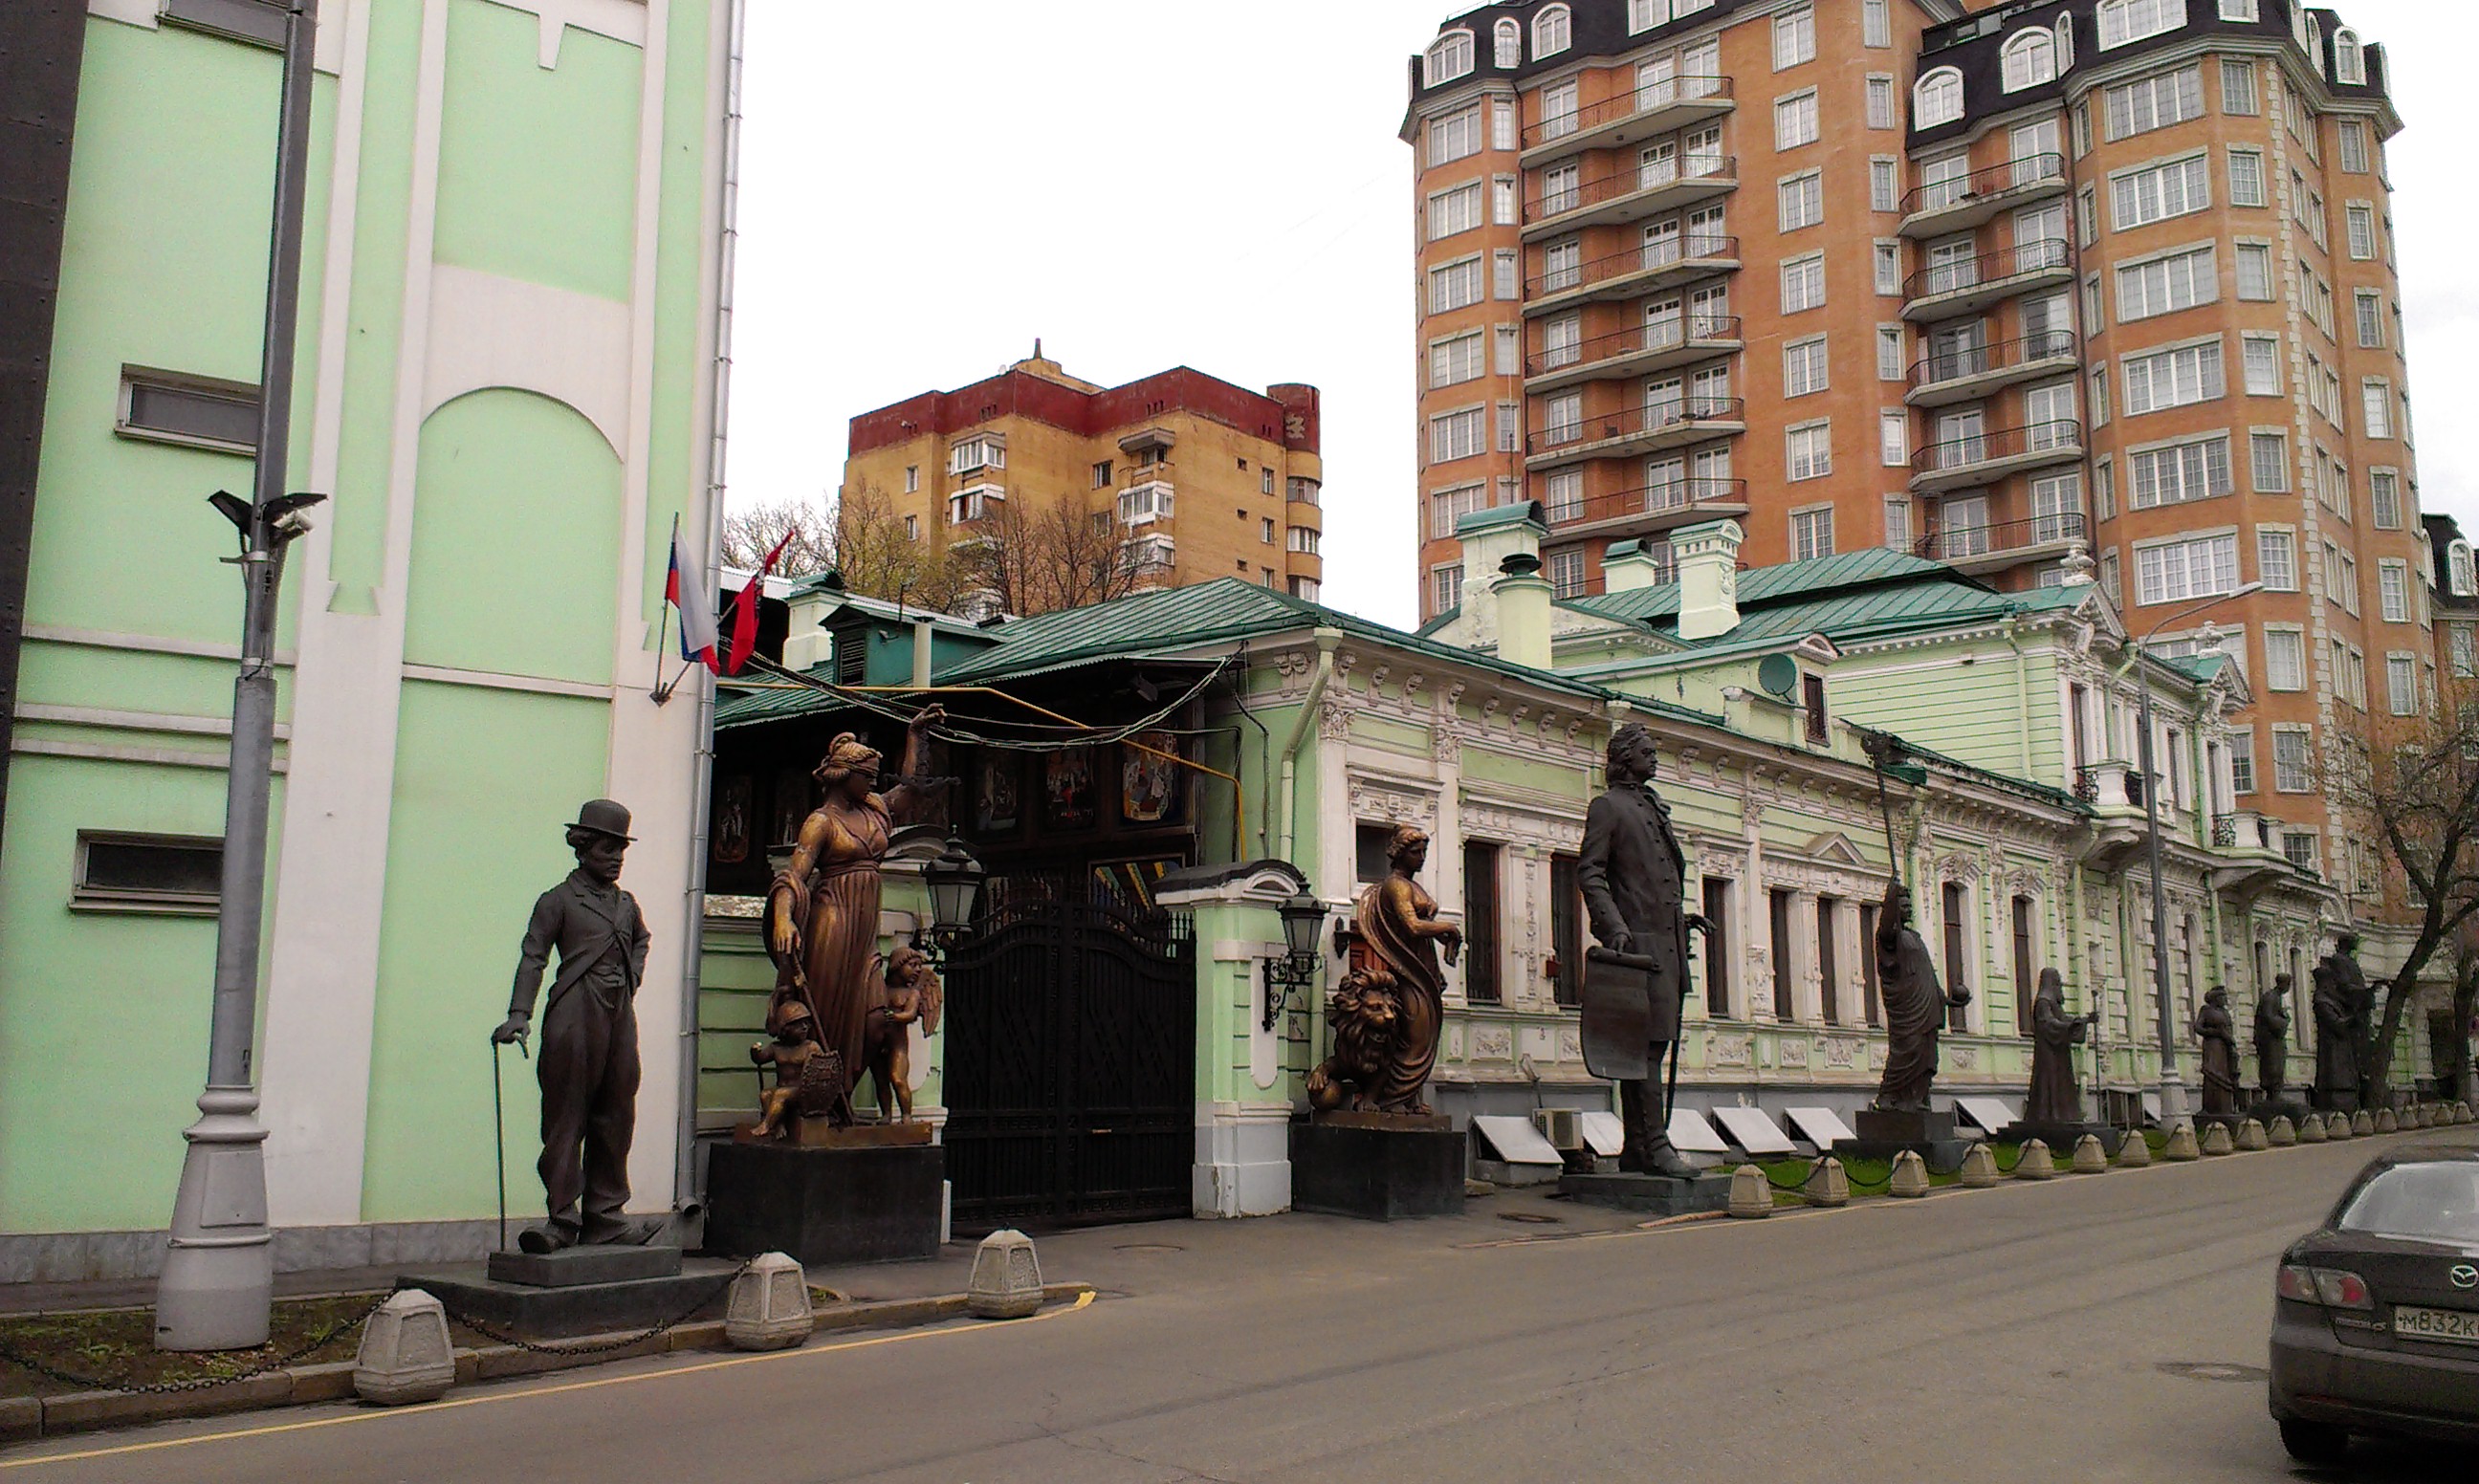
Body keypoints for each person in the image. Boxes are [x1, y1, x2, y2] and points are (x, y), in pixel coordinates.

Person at [494, 799, 654, 1253]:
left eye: (621, 849)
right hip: (574, 1012)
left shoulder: (626, 903)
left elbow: (642, 939)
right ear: (583, 848)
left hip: (618, 1013)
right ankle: (561, 1219)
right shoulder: (558, 900)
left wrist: (631, 977)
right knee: (566, 1117)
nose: (617, 858)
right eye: (608, 848)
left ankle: (606, 1216)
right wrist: (519, 1015)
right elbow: (533, 957)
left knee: (617, 1113)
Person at [765, 707, 945, 1091]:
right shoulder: (821, 822)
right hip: (833, 920)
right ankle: (821, 1101)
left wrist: (915, 737)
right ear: (843, 776)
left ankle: (842, 1087)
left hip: (864, 925)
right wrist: (783, 918)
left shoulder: (875, 809)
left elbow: (912, 789)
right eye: (867, 778)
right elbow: (793, 877)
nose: (872, 785)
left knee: (874, 1019)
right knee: (828, 1012)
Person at [1577, 723, 1710, 1177]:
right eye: (1647, 752)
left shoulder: (1652, 809)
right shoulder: (1608, 807)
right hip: (1639, 950)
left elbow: (1651, 884)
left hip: (1667, 946)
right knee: (1645, 1051)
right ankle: (1654, 1144)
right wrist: (1614, 927)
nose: (1655, 758)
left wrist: (1681, 919)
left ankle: (1638, 1147)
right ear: (1625, 757)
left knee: (1654, 1049)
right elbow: (1591, 873)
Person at [1355, 825, 1462, 1114]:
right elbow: (1412, 926)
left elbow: (1422, 929)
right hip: (1408, 970)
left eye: (1424, 851)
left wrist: (1441, 936)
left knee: (1424, 1037)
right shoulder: (1397, 885)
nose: (1422, 857)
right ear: (1400, 854)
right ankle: (1389, 1099)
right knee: (1414, 1038)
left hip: (1424, 968)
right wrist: (1449, 928)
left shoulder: (1415, 886)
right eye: (1416, 852)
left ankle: (1410, 1098)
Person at [1872, 877, 1971, 1113]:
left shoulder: (1914, 937)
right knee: (1907, 1050)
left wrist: (1949, 1000)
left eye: (1909, 906)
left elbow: (1928, 977)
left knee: (1927, 1056)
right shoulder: (1889, 939)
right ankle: (1888, 1096)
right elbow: (1886, 926)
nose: (1909, 910)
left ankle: (1916, 1099)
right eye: (1904, 906)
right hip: (1906, 1008)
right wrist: (1890, 897)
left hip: (1927, 1007)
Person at [2024, 968, 2095, 1124]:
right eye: (2057, 982)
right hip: (2048, 1053)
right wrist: (2069, 1026)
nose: (2059, 986)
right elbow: (2048, 1023)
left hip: (2059, 1053)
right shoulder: (2043, 1001)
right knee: (2049, 1083)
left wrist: (2082, 1021)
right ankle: (2048, 1115)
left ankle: (2063, 1114)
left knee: (2061, 1083)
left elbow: (2063, 1018)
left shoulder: (2052, 1002)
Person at [2193, 985, 2240, 1116]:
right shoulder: (2206, 1010)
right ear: (2216, 998)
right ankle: (2210, 1107)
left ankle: (2226, 1107)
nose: (2225, 999)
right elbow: (2198, 1027)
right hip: (2212, 1046)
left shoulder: (2225, 1013)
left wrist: (2231, 1042)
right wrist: (2214, 1032)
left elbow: (2229, 1030)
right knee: (2212, 1074)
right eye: (2222, 997)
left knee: (2227, 1075)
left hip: (2225, 1047)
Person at [2254, 974, 2293, 1101]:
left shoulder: (2276, 997)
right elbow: (2268, 1017)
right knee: (2273, 1065)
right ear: (2283, 984)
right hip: (2270, 1040)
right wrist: (2284, 1021)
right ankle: (2273, 1092)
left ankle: (2275, 1091)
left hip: (2274, 1039)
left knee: (2278, 1064)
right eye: (2288, 984)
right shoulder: (2270, 997)